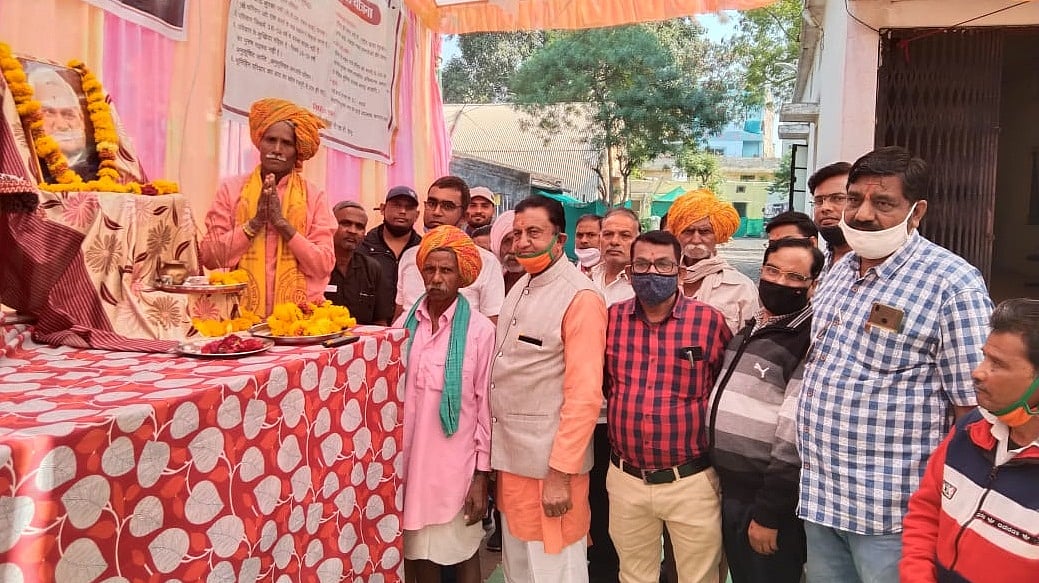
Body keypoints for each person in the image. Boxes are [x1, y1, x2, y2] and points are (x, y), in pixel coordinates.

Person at [797, 146, 993, 583]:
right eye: (854, 199)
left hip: (894, 515)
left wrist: (954, 506)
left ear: (916, 210)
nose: (862, 214)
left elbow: (973, 410)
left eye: (882, 202)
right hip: (821, 497)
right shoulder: (838, 271)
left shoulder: (951, 282)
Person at [604, 229, 732, 583]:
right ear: (629, 272)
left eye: (663, 265)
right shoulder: (610, 320)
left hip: (690, 479)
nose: (652, 273)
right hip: (626, 477)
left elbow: (724, 389)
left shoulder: (709, 322)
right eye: (642, 265)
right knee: (633, 575)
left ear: (679, 271)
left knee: (699, 577)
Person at [491, 195, 607, 582]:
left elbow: (585, 394)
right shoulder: (521, 285)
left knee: (556, 571)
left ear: (560, 239)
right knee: (519, 570)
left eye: (534, 232)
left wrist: (560, 475)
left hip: (551, 471)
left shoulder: (580, 297)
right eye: (517, 233)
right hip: (513, 464)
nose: (523, 241)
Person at [708, 238, 824, 583]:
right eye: (772, 271)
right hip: (731, 490)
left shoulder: (807, 338)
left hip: (763, 498)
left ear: (812, 285)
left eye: (794, 277)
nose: (780, 282)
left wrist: (769, 513)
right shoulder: (753, 326)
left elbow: (793, 436)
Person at [901, 298, 1039, 583]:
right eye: (985, 356)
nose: (978, 372)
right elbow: (926, 510)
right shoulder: (971, 428)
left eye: (997, 364)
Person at [398, 226, 495, 583]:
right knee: (415, 555)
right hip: (408, 468)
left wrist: (480, 479)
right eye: (430, 270)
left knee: (461, 553)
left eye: (446, 271)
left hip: (455, 471)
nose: (436, 278)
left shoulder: (480, 331)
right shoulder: (405, 327)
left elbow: (486, 409)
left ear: (462, 276)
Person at [200, 98, 335, 315]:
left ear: (298, 150)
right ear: (259, 143)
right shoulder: (231, 190)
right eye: (271, 140)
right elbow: (209, 257)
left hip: (301, 321)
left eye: (287, 143)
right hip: (237, 317)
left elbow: (323, 265)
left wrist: (283, 225)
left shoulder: (315, 196)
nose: (277, 149)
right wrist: (253, 224)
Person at [396, 176, 505, 322]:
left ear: (464, 216)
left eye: (447, 206)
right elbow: (400, 314)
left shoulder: (486, 261)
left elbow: (492, 324)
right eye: (432, 203)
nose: (436, 212)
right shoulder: (410, 256)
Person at [666, 189, 759, 334]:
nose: (696, 239)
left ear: (717, 235)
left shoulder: (741, 287)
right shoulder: (661, 278)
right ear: (678, 235)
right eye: (688, 231)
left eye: (704, 232)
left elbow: (748, 342)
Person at [325, 200, 393, 326]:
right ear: (330, 225)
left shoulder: (372, 269)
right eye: (345, 223)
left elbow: (380, 321)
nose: (353, 231)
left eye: (359, 226)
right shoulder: (315, 265)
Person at [27, 66, 97, 181]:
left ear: (82, 120)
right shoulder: (28, 174)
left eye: (68, 114)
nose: (61, 126)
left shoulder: (105, 171)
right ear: (32, 119)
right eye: (48, 113)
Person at [360, 185, 422, 295]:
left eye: (409, 207)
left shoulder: (423, 250)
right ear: (383, 209)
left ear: (417, 215)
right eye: (396, 205)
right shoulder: (363, 247)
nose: (402, 211)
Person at [591, 208, 638, 306]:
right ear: (600, 239)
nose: (614, 241)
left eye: (625, 235)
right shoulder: (589, 277)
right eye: (608, 234)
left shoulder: (643, 286)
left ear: (638, 242)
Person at [808, 162, 853, 266]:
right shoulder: (819, 264)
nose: (825, 208)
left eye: (838, 198)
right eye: (818, 201)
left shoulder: (877, 268)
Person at [490, 210, 524, 295]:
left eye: (519, 240)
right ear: (497, 244)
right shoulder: (489, 280)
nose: (512, 250)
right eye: (507, 241)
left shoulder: (545, 283)